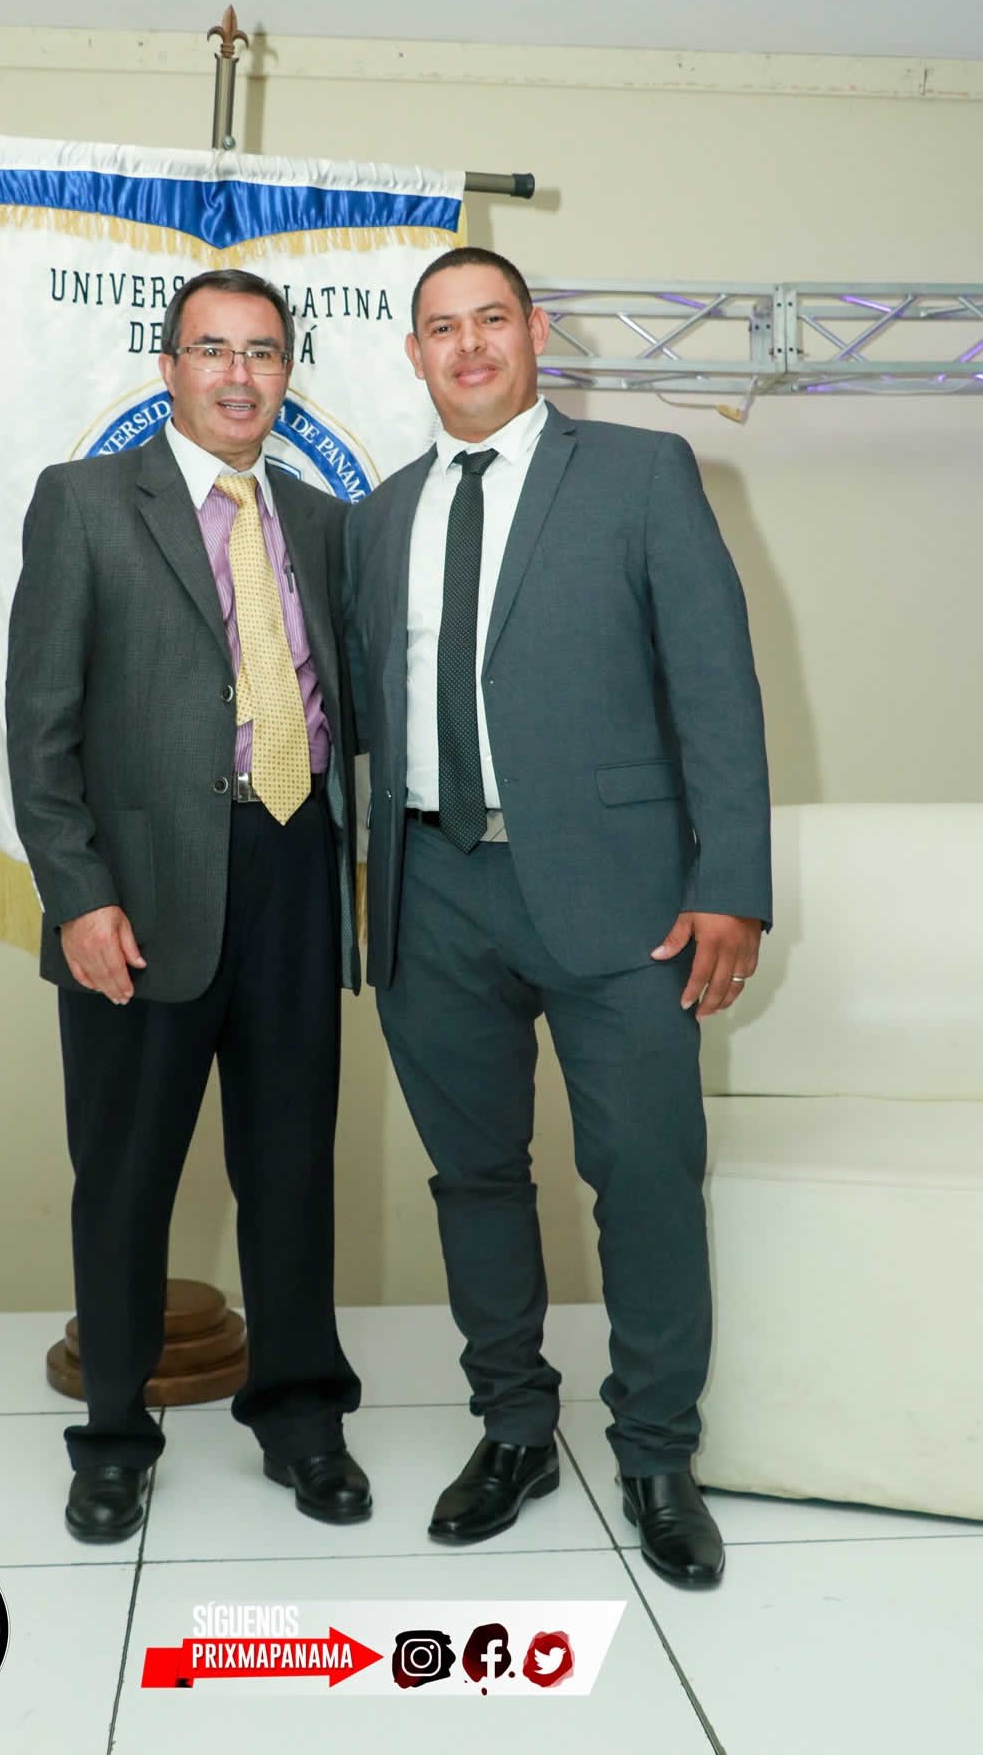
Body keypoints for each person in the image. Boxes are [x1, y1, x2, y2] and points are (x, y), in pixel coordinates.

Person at [344, 246, 771, 1586]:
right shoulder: (379, 516)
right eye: (442, 328)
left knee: (643, 1176)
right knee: (474, 1177)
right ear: (413, 353)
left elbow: (717, 688)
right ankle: (514, 1431)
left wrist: (730, 884)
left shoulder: (642, 474)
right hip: (430, 887)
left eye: (492, 320)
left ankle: (657, 1453)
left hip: (623, 895)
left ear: (535, 332)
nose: (468, 346)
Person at [7, 268, 368, 1544]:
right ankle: (114, 1435)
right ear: (168, 369)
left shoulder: (323, 523)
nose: (237, 375)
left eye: (261, 352)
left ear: (287, 373)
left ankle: (302, 1421)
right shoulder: (86, 502)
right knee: (123, 1179)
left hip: (293, 869)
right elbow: (38, 728)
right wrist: (78, 897)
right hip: (140, 893)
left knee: (292, 1167)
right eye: (212, 350)